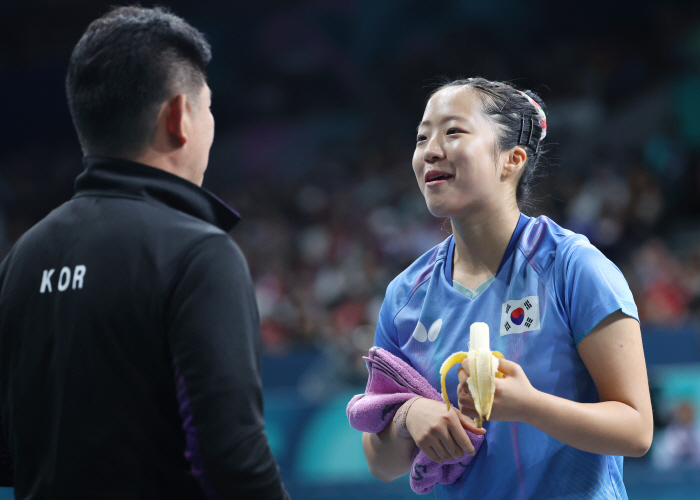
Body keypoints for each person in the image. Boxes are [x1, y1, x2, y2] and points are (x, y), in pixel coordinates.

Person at [0, 7, 289, 499]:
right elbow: (234, 461)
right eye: (209, 107)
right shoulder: (201, 255)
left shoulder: (20, 260)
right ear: (179, 117)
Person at [361, 78, 653, 499]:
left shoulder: (573, 267)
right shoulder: (405, 296)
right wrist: (409, 415)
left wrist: (530, 405)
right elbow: (381, 463)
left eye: (453, 131)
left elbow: (636, 429)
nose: (430, 150)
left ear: (511, 160)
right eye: (422, 136)